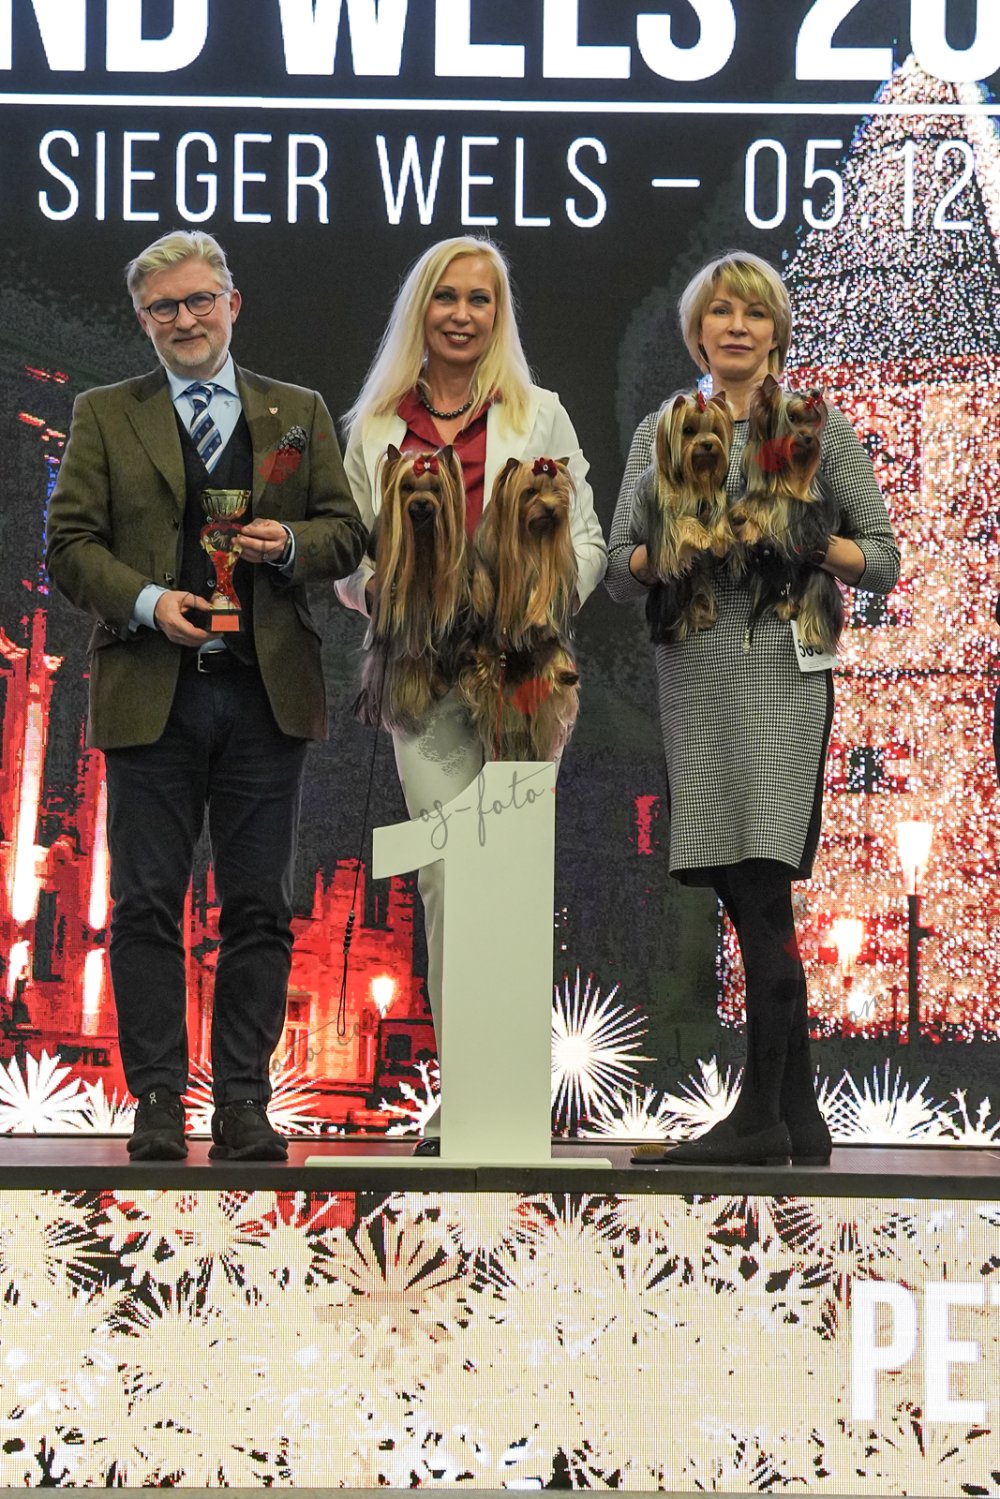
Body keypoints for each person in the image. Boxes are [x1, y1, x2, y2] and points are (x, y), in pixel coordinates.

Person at [46, 229, 367, 1162]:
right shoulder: (105, 413)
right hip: (152, 691)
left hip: (266, 696)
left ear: (233, 303)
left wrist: (290, 544)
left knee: (259, 907)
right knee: (145, 903)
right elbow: (70, 546)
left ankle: (243, 1104)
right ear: (143, 320)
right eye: (164, 307)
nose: (184, 318)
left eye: (199, 300)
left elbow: (346, 534)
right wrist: (151, 602)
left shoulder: (297, 411)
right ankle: (155, 1102)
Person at [606, 251, 900, 1167]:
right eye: (720, 312)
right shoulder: (665, 427)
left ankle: (757, 1119)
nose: (736, 326)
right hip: (695, 676)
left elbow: (883, 557)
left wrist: (807, 537)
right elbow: (617, 566)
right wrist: (670, 552)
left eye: (754, 313)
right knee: (748, 895)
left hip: (783, 673)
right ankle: (799, 1118)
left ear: (776, 331)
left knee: (761, 888)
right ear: (697, 332)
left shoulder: (814, 426)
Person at [338, 235, 607, 1153]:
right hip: (421, 678)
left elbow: (588, 540)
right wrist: (372, 590)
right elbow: (352, 557)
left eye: (479, 299)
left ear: (500, 314)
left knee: (511, 878)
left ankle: (508, 1107)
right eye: (446, 297)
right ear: (422, 310)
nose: (462, 314)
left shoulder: (540, 416)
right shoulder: (375, 427)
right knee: (450, 875)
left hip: (520, 676)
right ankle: (470, 1100)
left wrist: (541, 600)